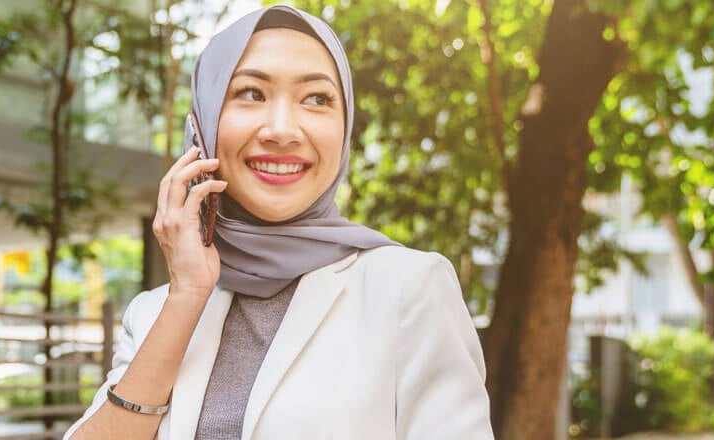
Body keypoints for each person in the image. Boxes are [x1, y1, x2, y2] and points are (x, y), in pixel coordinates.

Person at [65, 5, 493, 440]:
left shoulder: (410, 288)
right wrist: (188, 295)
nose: (283, 130)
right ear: (203, 126)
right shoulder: (156, 310)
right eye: (251, 93)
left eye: (317, 98)